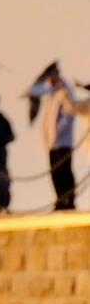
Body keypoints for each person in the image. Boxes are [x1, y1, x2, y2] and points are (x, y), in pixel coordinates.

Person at [25, 62, 90, 211]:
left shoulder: (64, 92)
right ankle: (61, 201)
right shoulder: (52, 95)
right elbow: (48, 118)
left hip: (63, 141)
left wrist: (58, 132)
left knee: (64, 172)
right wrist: (46, 136)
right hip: (52, 142)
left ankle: (69, 201)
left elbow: (70, 114)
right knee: (56, 173)